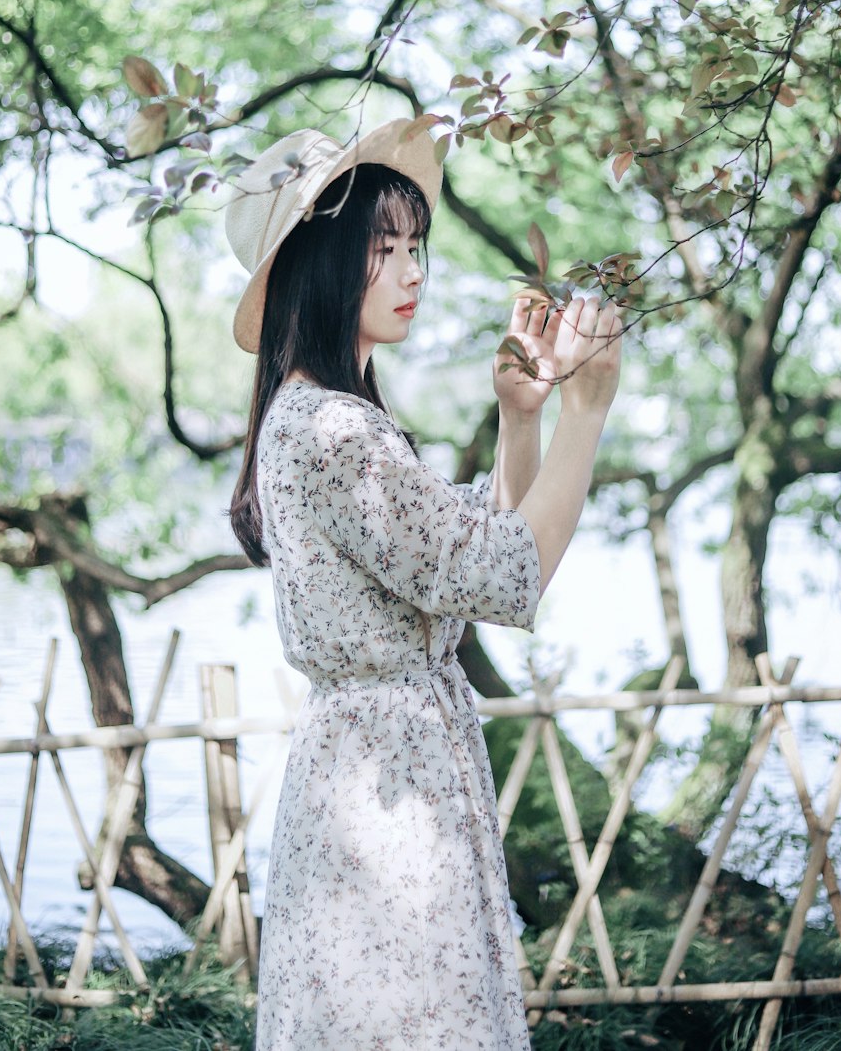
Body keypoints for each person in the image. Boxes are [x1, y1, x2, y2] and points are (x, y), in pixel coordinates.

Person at [225, 117, 622, 1051]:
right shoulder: (335, 434)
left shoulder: (323, 419)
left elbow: (468, 568)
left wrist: (518, 423)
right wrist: (587, 411)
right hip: (387, 798)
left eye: (416, 248)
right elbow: (506, 575)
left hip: (378, 773)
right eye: (381, 248)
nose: (412, 273)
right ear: (321, 264)